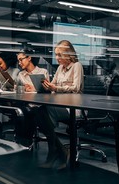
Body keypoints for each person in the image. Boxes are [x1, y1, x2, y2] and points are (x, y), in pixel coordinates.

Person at [36, 40, 84, 170]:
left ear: (68, 55)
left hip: (73, 108)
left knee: (42, 112)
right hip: (59, 105)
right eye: (56, 54)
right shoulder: (59, 68)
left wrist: (56, 88)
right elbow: (53, 85)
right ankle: (61, 151)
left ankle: (56, 152)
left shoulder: (77, 66)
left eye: (59, 55)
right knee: (39, 111)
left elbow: (76, 87)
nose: (56, 58)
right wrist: (46, 86)